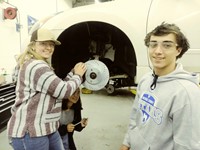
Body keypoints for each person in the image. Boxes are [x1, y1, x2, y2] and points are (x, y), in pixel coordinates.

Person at [120, 22, 200, 150]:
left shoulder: (186, 92)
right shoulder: (146, 79)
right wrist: (127, 142)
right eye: (153, 44)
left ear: (178, 50)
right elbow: (136, 116)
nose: (157, 51)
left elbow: (186, 144)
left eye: (167, 45)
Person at [7, 28, 87, 150]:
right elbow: (63, 91)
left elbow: (55, 87)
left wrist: (72, 73)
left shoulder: (40, 64)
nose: (49, 48)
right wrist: (78, 75)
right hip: (31, 131)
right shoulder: (36, 66)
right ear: (33, 45)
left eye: (51, 44)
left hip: (47, 127)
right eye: (43, 43)